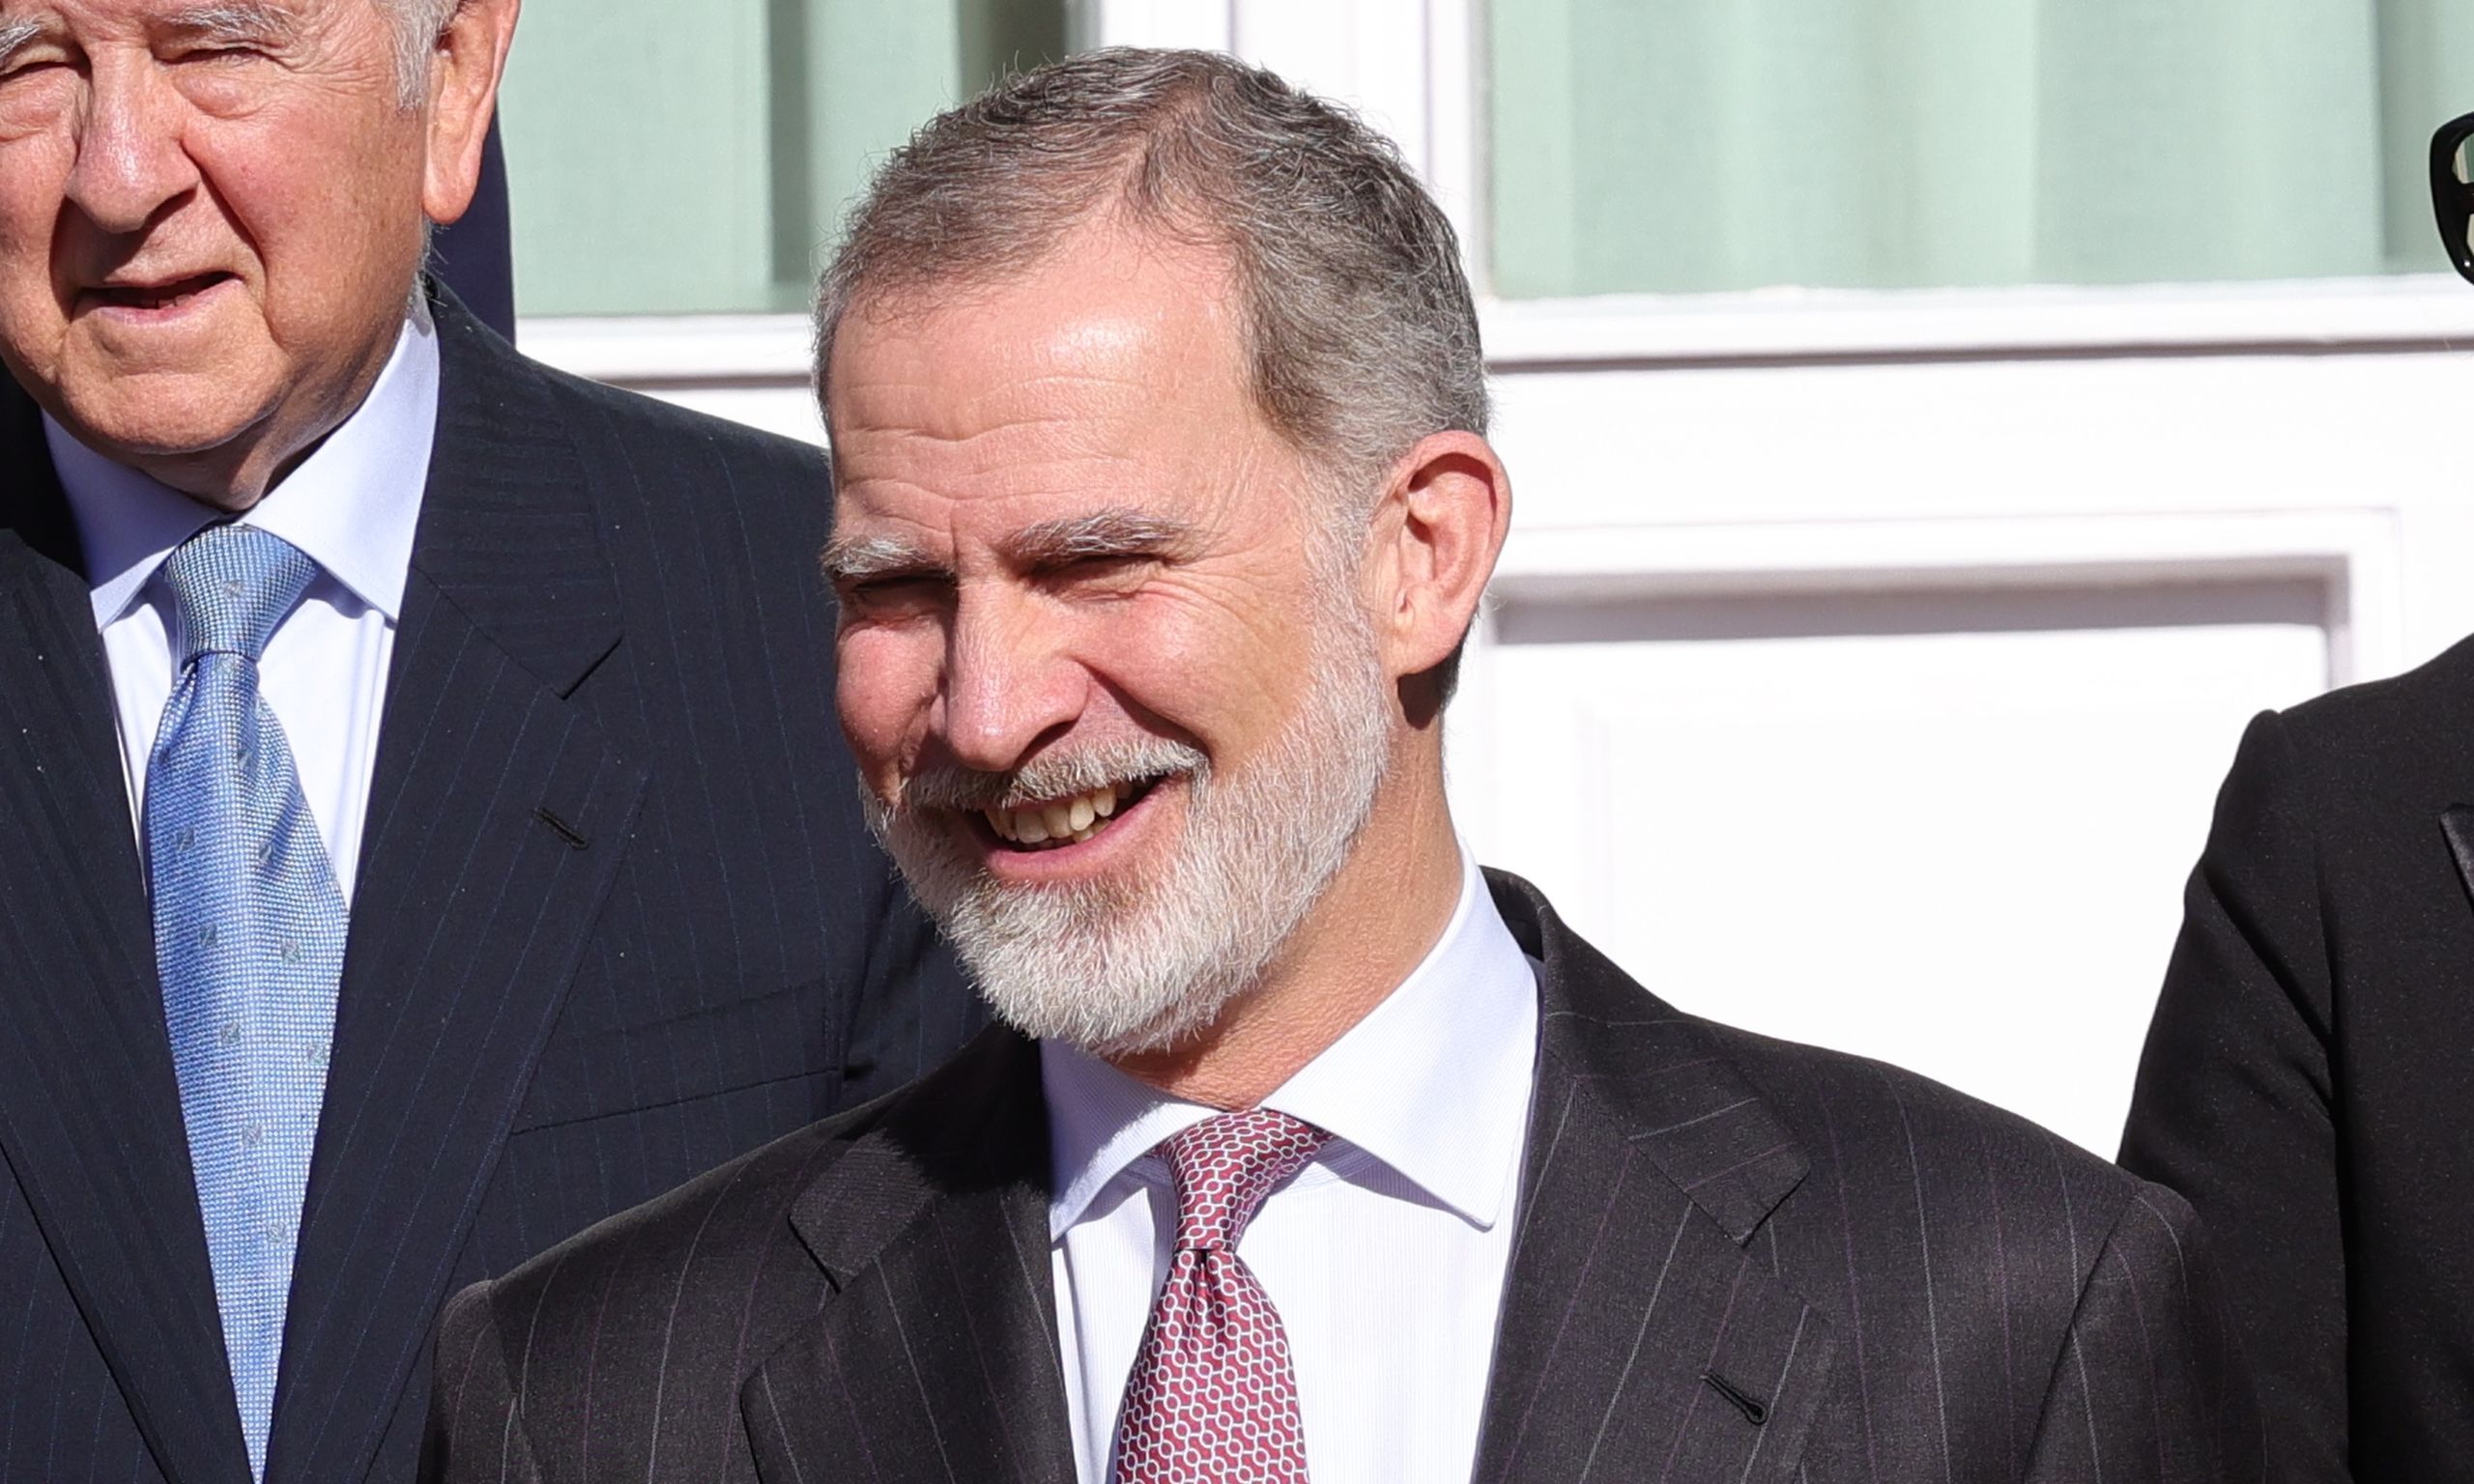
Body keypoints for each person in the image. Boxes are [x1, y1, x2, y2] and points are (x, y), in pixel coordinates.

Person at [422, 48, 2259, 1483]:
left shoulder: (1989, 1318)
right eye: (897, 589)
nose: (984, 712)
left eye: (1096, 564)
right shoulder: (600, 1398)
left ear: (1419, 556)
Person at [0, 0, 976, 1479]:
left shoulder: (829, 638)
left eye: (217, 48)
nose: (119, 174)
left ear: (454, 77)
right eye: (27, 65)